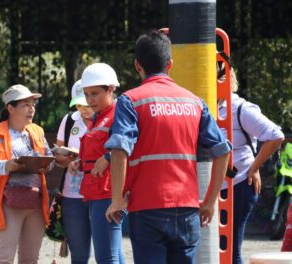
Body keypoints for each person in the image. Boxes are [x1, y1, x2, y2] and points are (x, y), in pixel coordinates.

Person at [104, 30, 232, 264]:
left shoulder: (131, 101)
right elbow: (222, 152)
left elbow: (119, 150)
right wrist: (210, 202)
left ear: (137, 65)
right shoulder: (194, 102)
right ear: (170, 64)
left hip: (147, 208)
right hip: (187, 208)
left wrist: (117, 198)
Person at [0, 84, 53, 264]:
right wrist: (6, 165)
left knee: (30, 260)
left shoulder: (37, 131)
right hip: (7, 204)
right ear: (10, 108)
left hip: (36, 203)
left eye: (33, 104)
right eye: (26, 104)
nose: (31, 109)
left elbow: (48, 158)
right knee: (3, 259)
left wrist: (50, 162)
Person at [218, 66, 284, 263]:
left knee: (229, 249)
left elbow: (275, 135)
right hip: (217, 187)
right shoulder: (207, 105)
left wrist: (254, 168)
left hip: (238, 184)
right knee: (219, 249)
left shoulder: (240, 108)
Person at [69, 63, 125, 264]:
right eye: (86, 94)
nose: (90, 100)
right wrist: (80, 162)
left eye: (95, 94)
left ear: (110, 89)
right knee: (114, 254)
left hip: (108, 191)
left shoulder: (119, 114)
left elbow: (132, 142)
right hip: (96, 190)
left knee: (106, 257)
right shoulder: (98, 117)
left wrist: (108, 158)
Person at [54, 79, 94, 264]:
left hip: (100, 194)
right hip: (73, 193)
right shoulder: (69, 120)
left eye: (86, 104)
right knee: (79, 253)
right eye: (78, 105)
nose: (83, 109)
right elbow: (58, 155)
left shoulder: (109, 119)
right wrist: (69, 161)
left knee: (109, 252)